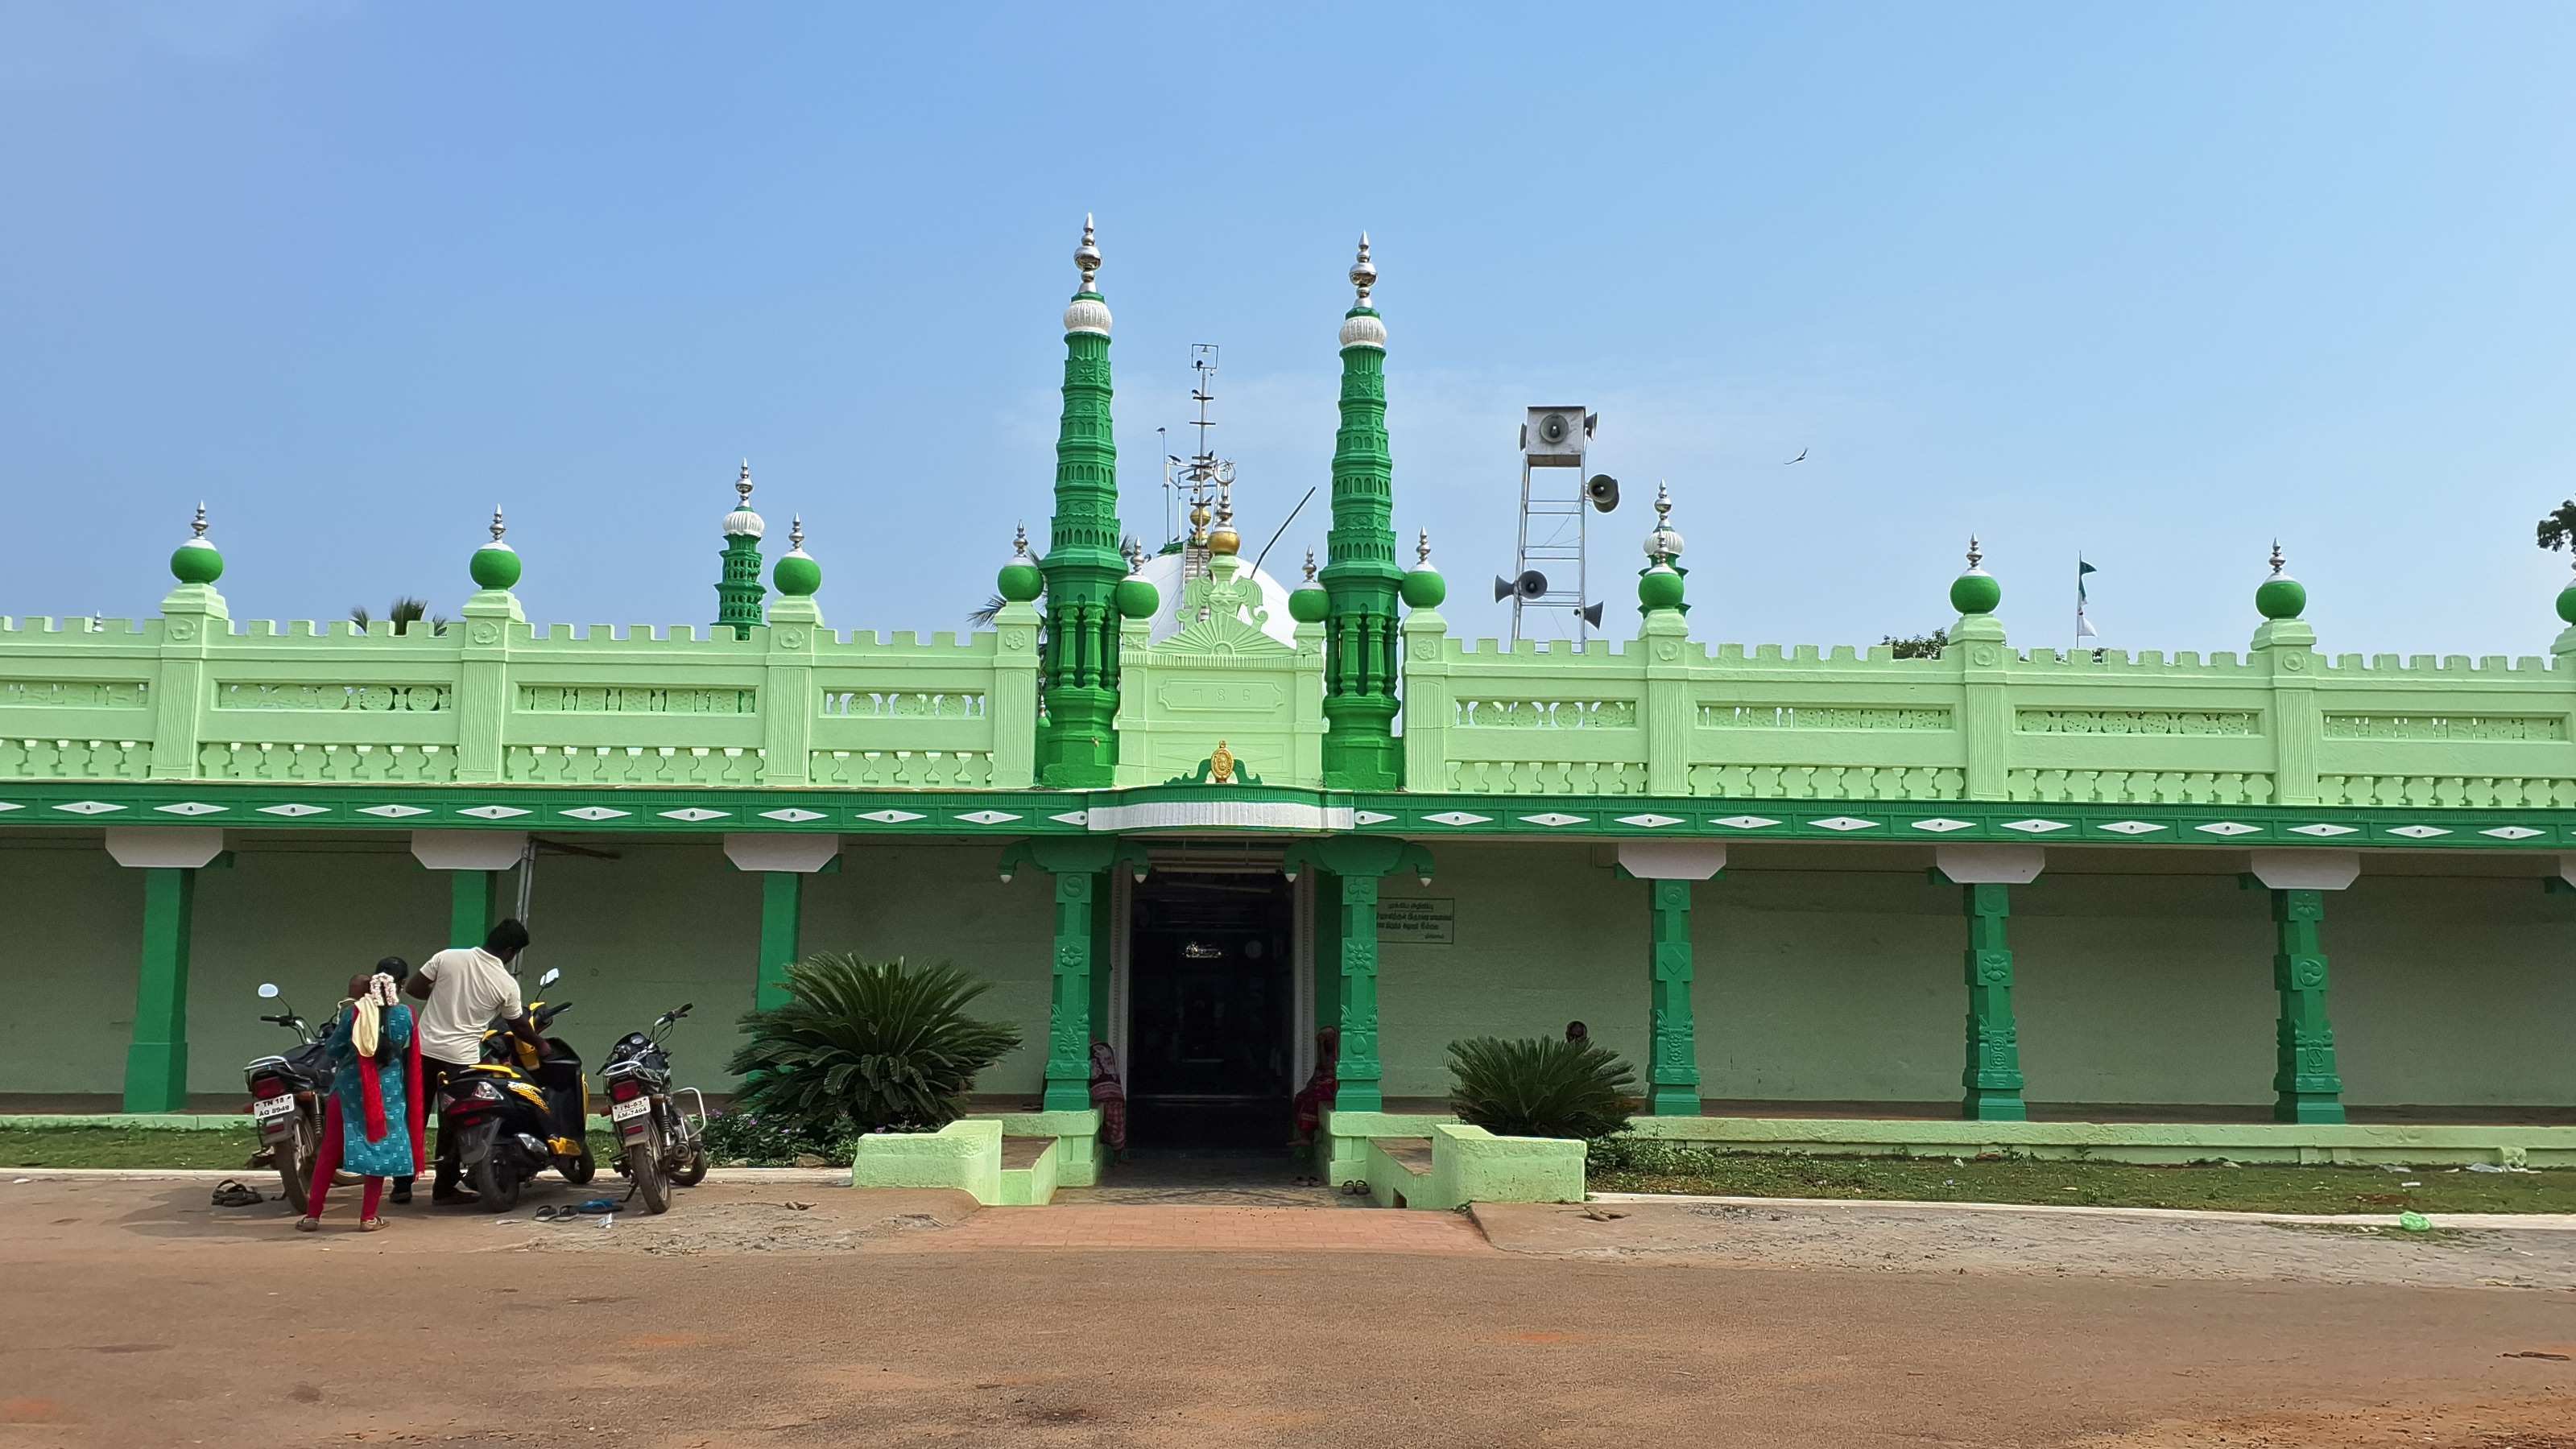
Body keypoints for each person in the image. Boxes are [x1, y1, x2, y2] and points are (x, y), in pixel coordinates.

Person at [405, 919, 534, 1204]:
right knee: (455, 1122)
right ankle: (444, 1187)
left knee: (412, 1115)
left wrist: (439, 996)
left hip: (422, 1050)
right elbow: (519, 1025)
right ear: (511, 952)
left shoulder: (447, 957)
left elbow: (414, 988)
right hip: (460, 1061)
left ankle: (401, 1186)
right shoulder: (505, 984)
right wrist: (541, 1044)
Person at [296, 971, 423, 1232]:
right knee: (378, 1150)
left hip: (348, 1091)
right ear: (396, 987)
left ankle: (313, 1216)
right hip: (387, 1095)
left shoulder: (353, 1014)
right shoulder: (406, 1016)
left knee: (330, 1150)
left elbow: (333, 1049)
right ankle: (368, 1218)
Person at [1290, 1026, 1339, 1146]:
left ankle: (1307, 1137)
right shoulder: (1325, 1052)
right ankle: (1305, 1136)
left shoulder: (1334, 1054)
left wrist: (1321, 1045)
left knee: (1311, 1100)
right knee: (1301, 1097)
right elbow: (1318, 1071)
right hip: (1321, 1085)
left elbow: (1325, 1065)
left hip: (1330, 1088)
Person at [1088, 1041, 1127, 1154]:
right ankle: (1118, 1155)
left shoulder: (1087, 1051)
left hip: (1102, 1092)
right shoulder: (1104, 1048)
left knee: (1112, 1123)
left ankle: (1117, 1155)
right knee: (1116, 1124)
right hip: (1112, 1092)